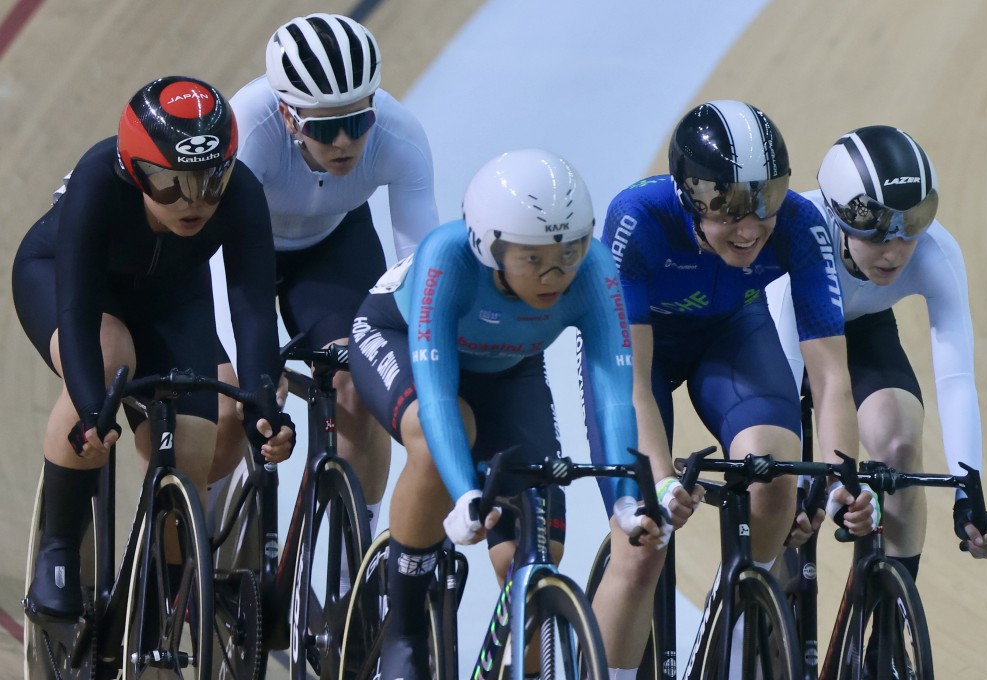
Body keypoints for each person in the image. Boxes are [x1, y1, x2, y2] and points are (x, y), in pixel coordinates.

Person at [349, 149, 694, 679]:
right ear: (489, 247)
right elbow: (438, 392)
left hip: (510, 369)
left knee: (533, 555)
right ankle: (404, 630)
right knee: (444, 431)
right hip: (404, 342)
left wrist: (628, 499)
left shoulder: (594, 269)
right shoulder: (449, 257)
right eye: (533, 259)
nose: (555, 273)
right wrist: (465, 491)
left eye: (570, 252)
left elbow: (611, 393)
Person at [585, 100, 871, 676]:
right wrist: (662, 479)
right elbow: (632, 380)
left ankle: (741, 635)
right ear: (689, 197)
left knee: (774, 474)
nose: (750, 229)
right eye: (728, 210)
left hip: (729, 336)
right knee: (643, 541)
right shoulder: (638, 218)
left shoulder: (798, 223)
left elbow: (832, 375)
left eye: (765, 203)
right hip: (637, 358)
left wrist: (841, 478)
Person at [13, 75, 295, 622]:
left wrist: (264, 406)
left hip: (170, 298)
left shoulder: (243, 195)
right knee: (108, 356)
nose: (193, 203)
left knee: (197, 442)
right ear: (134, 171)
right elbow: (76, 310)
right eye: (171, 185)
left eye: (210, 183)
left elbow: (254, 310)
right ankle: (59, 550)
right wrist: (93, 408)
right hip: (70, 283)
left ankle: (157, 596)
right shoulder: (98, 178)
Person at [216, 13, 439, 527]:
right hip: (238, 253)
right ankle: (199, 552)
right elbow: (216, 260)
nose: (343, 142)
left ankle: (349, 581)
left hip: (330, 250)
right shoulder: (248, 129)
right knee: (227, 399)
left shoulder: (398, 134)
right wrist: (252, 366)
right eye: (325, 126)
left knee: (360, 389)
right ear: (289, 117)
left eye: (357, 121)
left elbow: (420, 266)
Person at [767, 125, 987, 570]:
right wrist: (803, 487)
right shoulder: (801, 235)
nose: (894, 252)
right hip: (783, 334)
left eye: (909, 228)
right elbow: (786, 377)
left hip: (862, 329)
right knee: (783, 508)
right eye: (877, 234)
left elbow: (956, 380)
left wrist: (967, 490)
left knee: (898, 443)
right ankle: (752, 623)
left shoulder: (937, 253)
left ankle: (891, 625)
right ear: (839, 219)